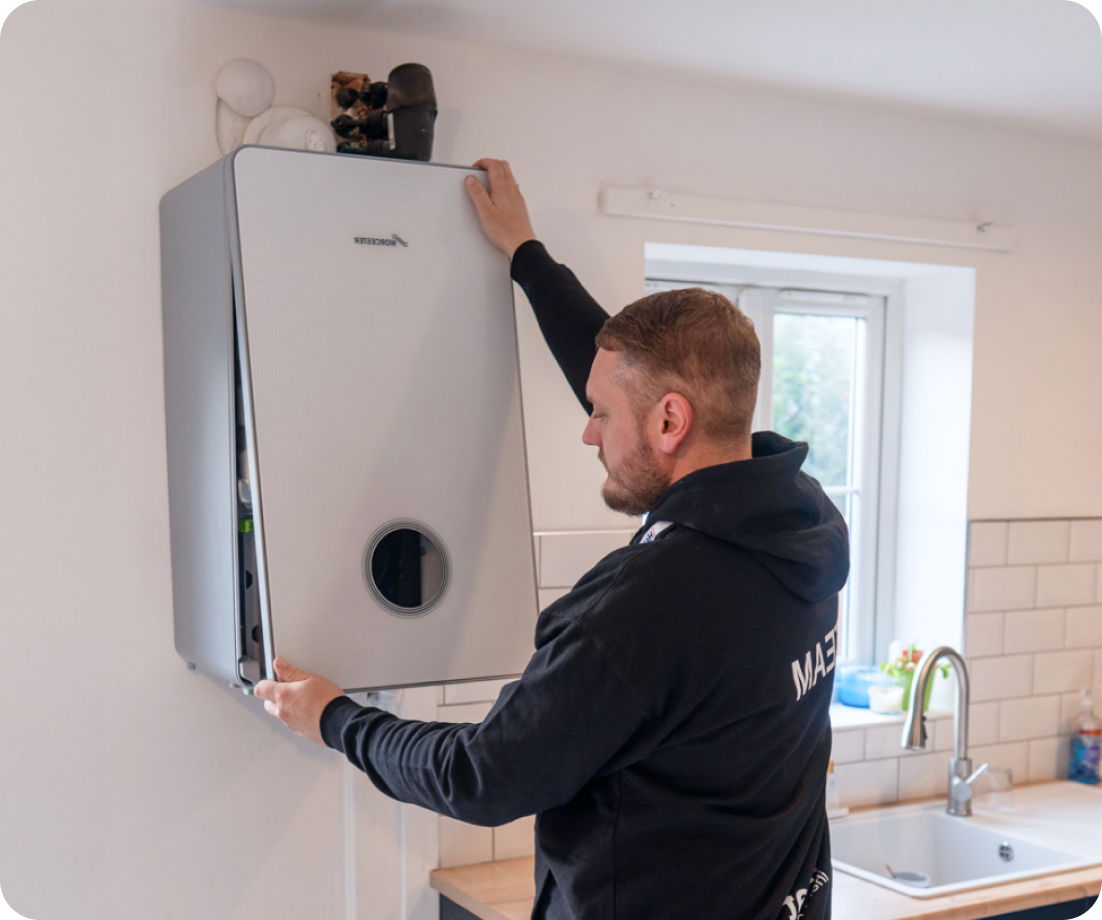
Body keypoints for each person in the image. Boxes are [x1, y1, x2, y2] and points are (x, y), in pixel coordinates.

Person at [256, 159, 849, 920]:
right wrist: (525, 255)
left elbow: (483, 777)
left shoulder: (644, 608)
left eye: (600, 415)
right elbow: (631, 388)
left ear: (671, 421)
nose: (586, 431)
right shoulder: (802, 518)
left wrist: (335, 719)